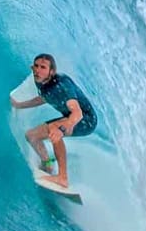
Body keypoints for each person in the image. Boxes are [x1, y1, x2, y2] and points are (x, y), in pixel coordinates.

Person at [10, 53, 98, 189]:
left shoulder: (62, 85)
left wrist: (62, 129)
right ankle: (48, 164)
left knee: (54, 129)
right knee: (31, 136)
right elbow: (45, 98)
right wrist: (19, 105)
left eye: (43, 67)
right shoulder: (41, 82)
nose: (38, 70)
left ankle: (62, 178)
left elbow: (77, 113)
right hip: (71, 118)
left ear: (52, 71)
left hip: (86, 120)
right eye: (36, 66)